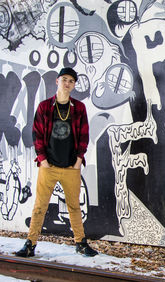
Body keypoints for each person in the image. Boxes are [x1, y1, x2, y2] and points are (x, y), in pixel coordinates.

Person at [15, 67, 98, 257]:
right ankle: (30, 244)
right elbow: (36, 134)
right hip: (49, 166)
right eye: (64, 79)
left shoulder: (78, 107)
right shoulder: (45, 107)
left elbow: (84, 135)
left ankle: (80, 243)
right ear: (57, 81)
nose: (67, 83)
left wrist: (78, 161)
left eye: (71, 80)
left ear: (74, 84)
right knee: (39, 206)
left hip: (71, 167)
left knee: (74, 206)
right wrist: (43, 160)